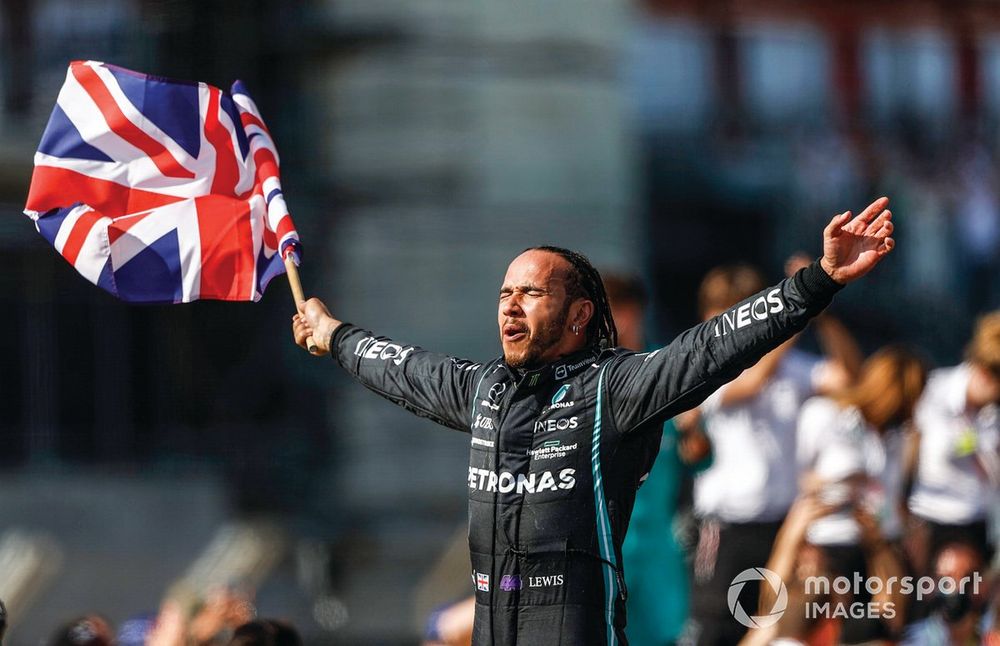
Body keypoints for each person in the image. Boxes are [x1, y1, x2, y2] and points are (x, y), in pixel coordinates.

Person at [293, 198, 895, 644]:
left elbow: (715, 346)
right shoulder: (483, 390)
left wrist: (816, 282)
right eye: (505, 294)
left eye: (530, 292)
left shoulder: (618, 387)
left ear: (580, 313)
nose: (510, 305)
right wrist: (333, 335)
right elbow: (403, 368)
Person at [687, 256, 862, 646]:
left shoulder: (792, 367)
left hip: (782, 527)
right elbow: (749, 384)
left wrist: (823, 312)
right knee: (716, 627)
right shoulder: (708, 368)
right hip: (727, 526)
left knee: (775, 628)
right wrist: (799, 308)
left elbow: (850, 377)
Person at [607, 273, 710, 646]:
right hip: (603, 547)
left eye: (613, 310)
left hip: (658, 553)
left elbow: (700, 460)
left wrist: (694, 434)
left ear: (634, 312)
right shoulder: (589, 377)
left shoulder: (670, 372)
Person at [908, 311, 1000, 571]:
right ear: (984, 372)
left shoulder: (993, 413)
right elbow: (932, 450)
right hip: (930, 521)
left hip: (978, 526)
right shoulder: (935, 391)